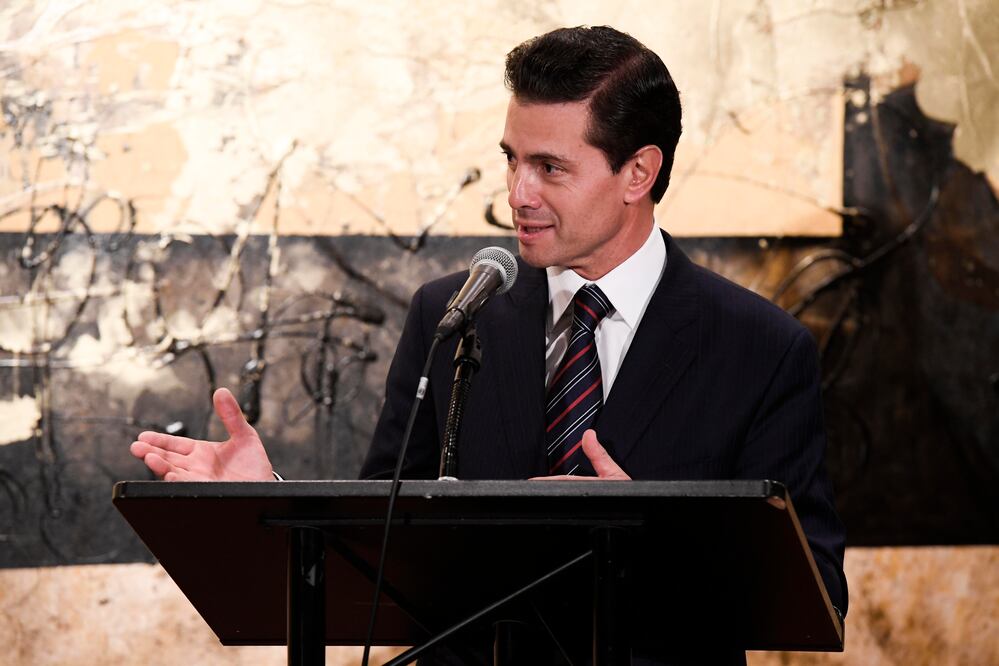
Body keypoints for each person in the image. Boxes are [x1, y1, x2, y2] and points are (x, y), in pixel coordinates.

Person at [131, 26, 846, 665]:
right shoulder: (450, 313)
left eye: (550, 167)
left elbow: (814, 596)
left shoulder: (761, 347)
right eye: (511, 160)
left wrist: (656, 539)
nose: (518, 193)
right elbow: (386, 539)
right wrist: (275, 507)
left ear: (638, 172)